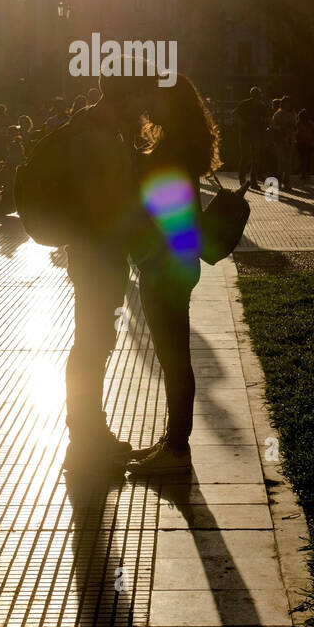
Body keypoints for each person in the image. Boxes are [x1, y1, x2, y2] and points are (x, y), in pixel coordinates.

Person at [128, 76, 220, 476]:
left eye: (154, 97)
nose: (148, 102)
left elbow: (164, 209)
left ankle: (177, 449)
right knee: (173, 356)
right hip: (178, 261)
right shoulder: (182, 148)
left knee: (173, 358)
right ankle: (172, 440)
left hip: (165, 263)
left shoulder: (168, 153)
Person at [62, 73, 147, 471]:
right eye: (138, 96)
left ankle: (87, 430)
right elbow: (102, 199)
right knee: (92, 342)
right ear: (125, 95)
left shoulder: (96, 126)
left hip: (96, 253)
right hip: (96, 254)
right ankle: (86, 435)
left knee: (93, 341)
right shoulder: (97, 134)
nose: (142, 106)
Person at [233, 86, 268, 189]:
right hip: (246, 133)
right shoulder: (245, 104)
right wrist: (242, 123)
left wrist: (264, 122)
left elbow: (266, 118)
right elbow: (235, 114)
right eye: (255, 94)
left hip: (255, 133)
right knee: (246, 156)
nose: (257, 96)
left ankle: (252, 181)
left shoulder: (262, 105)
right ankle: (244, 179)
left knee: (254, 157)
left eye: (258, 94)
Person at [271, 96, 296, 191]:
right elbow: (273, 126)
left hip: (290, 140)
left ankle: (287, 183)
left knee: (288, 163)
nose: (287, 105)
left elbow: (295, 127)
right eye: (286, 103)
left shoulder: (293, 114)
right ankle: (279, 183)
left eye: (289, 103)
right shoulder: (278, 114)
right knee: (280, 162)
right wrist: (282, 127)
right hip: (280, 141)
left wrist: (293, 128)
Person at [295, 108, 314, 183]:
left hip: (306, 143)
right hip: (303, 143)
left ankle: (305, 173)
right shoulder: (300, 123)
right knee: (305, 159)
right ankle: (305, 173)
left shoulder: (307, 123)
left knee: (305, 159)